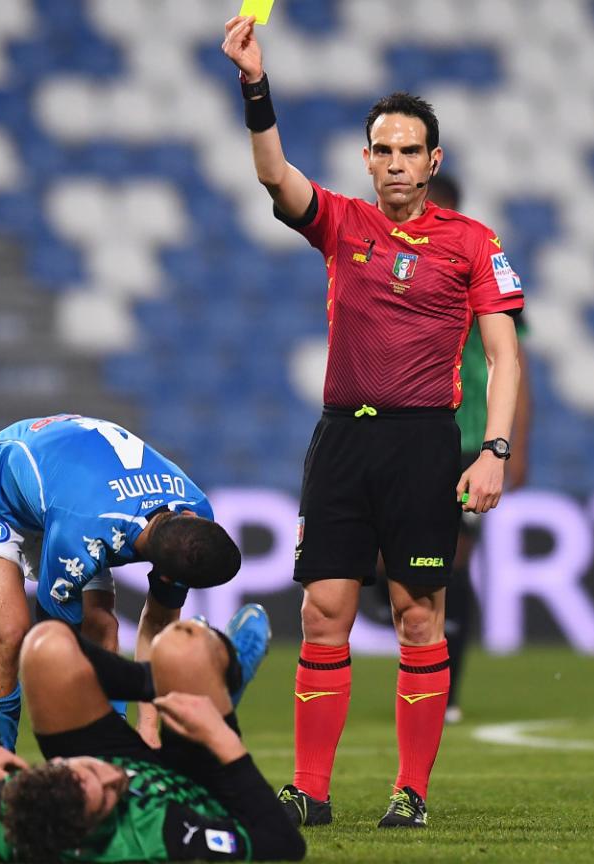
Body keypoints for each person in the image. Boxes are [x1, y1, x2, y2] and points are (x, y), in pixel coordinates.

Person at [222, 15, 525, 829]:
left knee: (418, 612)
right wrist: (256, 83)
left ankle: (411, 792)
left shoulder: (472, 244)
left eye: (409, 150)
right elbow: (273, 175)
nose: (395, 162)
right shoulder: (341, 224)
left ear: (434, 160)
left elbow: (504, 356)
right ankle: (311, 791)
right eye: (381, 150)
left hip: (425, 441)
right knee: (324, 609)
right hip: (343, 439)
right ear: (368, 160)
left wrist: (493, 448)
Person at [0, 605, 306, 862]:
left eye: (90, 772)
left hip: (98, 756)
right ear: (85, 836)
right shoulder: (157, 842)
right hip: (192, 784)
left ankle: (163, 677)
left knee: (45, 644)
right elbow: (284, 846)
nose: (116, 778)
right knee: (181, 643)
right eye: (109, 799)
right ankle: (217, 673)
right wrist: (225, 743)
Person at [0, 414, 242, 755]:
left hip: (68, 491)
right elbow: (54, 650)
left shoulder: (195, 516)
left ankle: (112, 759)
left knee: (101, 629)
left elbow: (159, 624)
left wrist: (147, 726)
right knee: (10, 633)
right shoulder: (84, 536)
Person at [371, 174, 534, 726]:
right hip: (401, 432)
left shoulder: (480, 263)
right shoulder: (393, 263)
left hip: (466, 440)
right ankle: (424, 652)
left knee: (451, 564)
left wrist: (511, 446)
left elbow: (514, 364)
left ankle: (447, 690)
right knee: (382, 558)